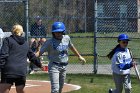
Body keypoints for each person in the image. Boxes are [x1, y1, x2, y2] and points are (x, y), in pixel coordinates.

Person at [36, 22, 86, 93]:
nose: (58, 34)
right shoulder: (50, 42)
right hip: (54, 66)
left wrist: (79, 56)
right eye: (56, 32)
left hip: (64, 66)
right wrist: (30, 58)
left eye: (60, 32)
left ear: (63, 31)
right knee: (55, 89)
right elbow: (40, 52)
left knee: (60, 88)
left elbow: (71, 47)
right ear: (53, 33)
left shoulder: (67, 38)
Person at [0, 24, 42, 93]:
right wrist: (39, 64)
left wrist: (1, 66)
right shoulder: (25, 43)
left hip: (9, 71)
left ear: (12, 32)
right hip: (21, 71)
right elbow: (32, 56)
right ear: (22, 33)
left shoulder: (7, 40)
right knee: (20, 90)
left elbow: (3, 55)